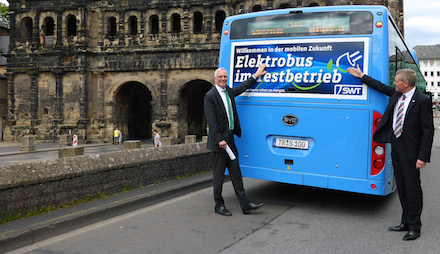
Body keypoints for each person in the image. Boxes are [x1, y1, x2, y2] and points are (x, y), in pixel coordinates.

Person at [348, 65, 434, 241]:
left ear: (406, 83)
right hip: (396, 145)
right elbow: (380, 86)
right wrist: (361, 75)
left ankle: (415, 227)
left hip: (412, 151)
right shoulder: (397, 94)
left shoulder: (422, 100)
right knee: (401, 186)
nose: (393, 83)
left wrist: (422, 157)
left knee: (412, 189)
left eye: (396, 81)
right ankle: (405, 221)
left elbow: (428, 131)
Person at [204, 64, 267, 216]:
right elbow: (211, 121)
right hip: (220, 143)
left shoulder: (228, 92)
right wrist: (220, 139)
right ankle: (218, 205)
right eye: (220, 77)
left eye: (225, 76)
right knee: (218, 176)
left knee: (236, 173)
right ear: (215, 79)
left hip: (230, 139)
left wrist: (256, 75)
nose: (223, 79)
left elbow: (242, 87)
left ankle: (245, 205)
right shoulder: (210, 96)